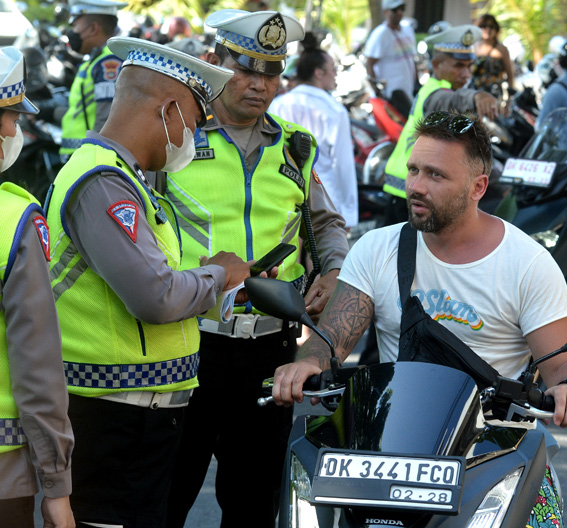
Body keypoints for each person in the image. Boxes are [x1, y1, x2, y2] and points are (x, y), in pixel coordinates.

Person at [272, 112, 567, 527]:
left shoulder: (527, 263)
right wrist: (308, 362)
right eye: (413, 170)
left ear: (478, 187)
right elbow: (330, 337)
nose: (416, 186)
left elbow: (566, 363)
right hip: (390, 448)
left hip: (492, 454)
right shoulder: (376, 249)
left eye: (436, 176)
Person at [45, 37, 252, 527]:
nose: (196, 139)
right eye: (196, 123)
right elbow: (155, 297)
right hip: (114, 422)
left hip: (137, 418)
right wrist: (220, 273)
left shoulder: (126, 177)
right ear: (169, 111)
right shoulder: (101, 182)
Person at [163, 11, 349, 527]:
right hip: (186, 341)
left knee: (254, 505)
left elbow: (327, 221)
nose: (260, 85)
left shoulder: (295, 145)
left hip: (270, 353)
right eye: (245, 69)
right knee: (165, 496)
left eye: (272, 72)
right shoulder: (175, 138)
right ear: (214, 64)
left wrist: (333, 270)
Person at [0, 46, 75, 528]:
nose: (12, 131)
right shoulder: (13, 220)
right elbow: (36, 366)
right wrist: (57, 486)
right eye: (6, 117)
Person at [382, 24, 500, 225]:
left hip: (410, 185)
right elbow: (452, 102)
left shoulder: (435, 88)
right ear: (436, 65)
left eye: (469, 66)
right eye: (458, 66)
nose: (466, 73)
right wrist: (477, 96)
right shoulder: (436, 94)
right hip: (412, 190)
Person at [270, 33, 359, 227]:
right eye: (333, 70)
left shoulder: (278, 105)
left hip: (282, 193)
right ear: (319, 73)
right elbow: (343, 166)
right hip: (324, 199)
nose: (336, 74)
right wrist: (349, 215)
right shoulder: (335, 111)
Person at [59, 0, 127, 157]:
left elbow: (106, 119)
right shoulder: (94, 60)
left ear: (93, 28)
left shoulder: (109, 62)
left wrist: (94, 158)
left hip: (88, 157)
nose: (71, 32)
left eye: (75, 26)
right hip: (80, 155)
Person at [363, 0, 418, 103]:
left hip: (408, 90)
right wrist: (377, 91)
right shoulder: (381, 34)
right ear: (385, 11)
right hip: (391, 94)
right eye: (394, 10)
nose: (399, 12)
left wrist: (417, 81)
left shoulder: (408, 30)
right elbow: (369, 63)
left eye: (402, 9)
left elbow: (412, 58)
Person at [472, 13, 515, 100]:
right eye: (483, 26)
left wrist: (509, 99)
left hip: (494, 95)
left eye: (491, 26)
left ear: (496, 29)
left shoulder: (502, 50)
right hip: (474, 93)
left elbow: (510, 75)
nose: (487, 29)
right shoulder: (473, 47)